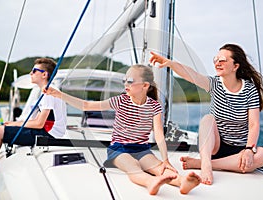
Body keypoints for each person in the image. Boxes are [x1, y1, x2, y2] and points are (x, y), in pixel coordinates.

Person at [43, 64, 201, 195]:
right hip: (118, 149)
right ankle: (150, 182)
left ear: (145, 86)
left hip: (142, 149)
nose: (125, 84)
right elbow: (87, 105)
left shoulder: (154, 106)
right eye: (125, 80)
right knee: (132, 166)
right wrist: (59, 94)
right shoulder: (121, 100)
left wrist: (165, 160)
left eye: (130, 81)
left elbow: (159, 134)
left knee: (158, 167)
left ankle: (182, 182)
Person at [149, 44, 263, 185]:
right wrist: (171, 64)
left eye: (223, 60)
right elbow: (192, 75)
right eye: (216, 59)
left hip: (240, 151)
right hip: (216, 146)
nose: (217, 63)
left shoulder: (249, 89)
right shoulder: (214, 84)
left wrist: (249, 149)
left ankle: (203, 163)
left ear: (235, 66)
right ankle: (206, 165)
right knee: (208, 119)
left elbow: (254, 124)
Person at [0, 58, 67, 163]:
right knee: (2, 128)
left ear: (44, 75)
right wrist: (14, 124)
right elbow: (39, 121)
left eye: (34, 71)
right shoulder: (48, 91)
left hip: (49, 135)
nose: (31, 73)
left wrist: (15, 124)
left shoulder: (49, 93)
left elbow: (39, 124)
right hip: (50, 133)